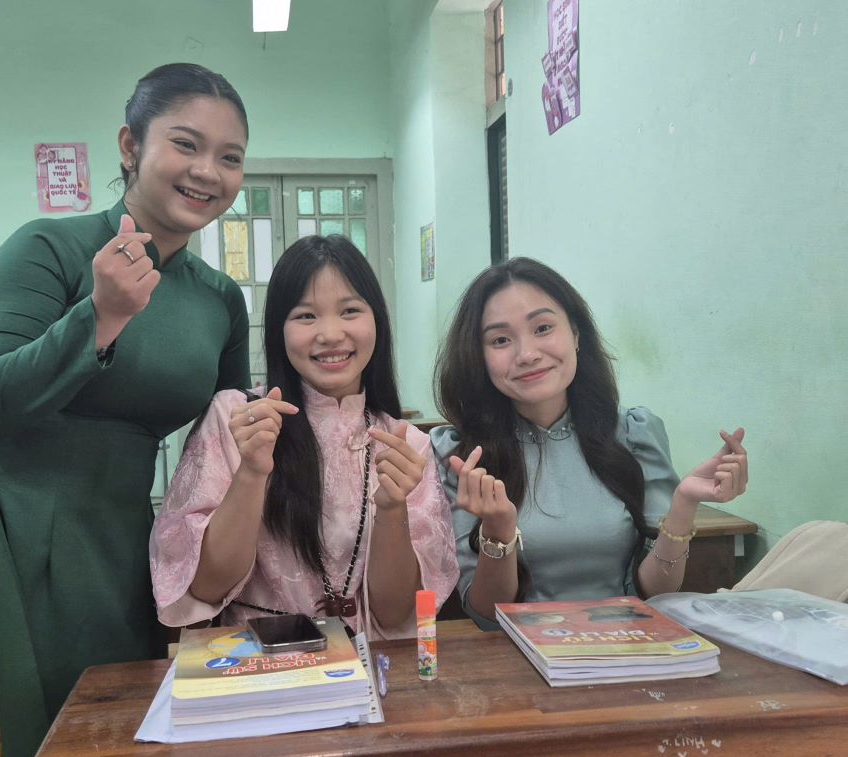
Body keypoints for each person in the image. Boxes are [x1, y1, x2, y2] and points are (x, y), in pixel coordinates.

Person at [0, 63, 252, 757]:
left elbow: (224, 443)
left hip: (112, 550)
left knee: (96, 745)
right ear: (130, 146)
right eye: (186, 145)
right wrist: (98, 317)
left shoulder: (219, 299)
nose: (208, 172)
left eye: (230, 157)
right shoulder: (50, 248)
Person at [150, 235, 458, 639]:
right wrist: (252, 473)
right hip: (255, 662)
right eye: (306, 316)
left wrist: (392, 510)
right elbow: (206, 588)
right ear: (279, 330)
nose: (330, 334)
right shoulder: (236, 417)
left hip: (362, 669)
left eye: (350, 310)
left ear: (377, 322)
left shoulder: (403, 442)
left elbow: (395, 612)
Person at [431, 257, 749, 629]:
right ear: (479, 357)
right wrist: (498, 533)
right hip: (519, 666)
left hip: (626, 652)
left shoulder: (635, 432)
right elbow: (485, 614)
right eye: (500, 339)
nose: (527, 353)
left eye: (543, 327)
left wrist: (684, 504)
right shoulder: (462, 454)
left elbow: (656, 594)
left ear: (577, 335)